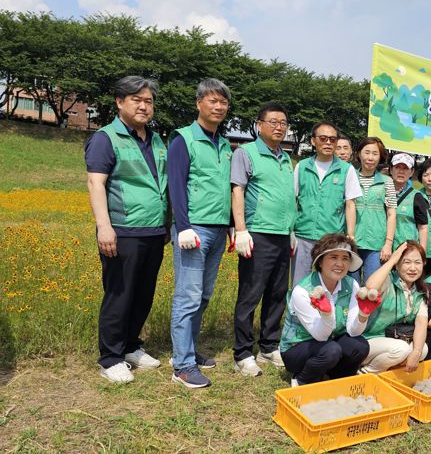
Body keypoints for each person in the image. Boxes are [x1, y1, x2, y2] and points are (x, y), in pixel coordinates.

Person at [86, 76, 167, 383]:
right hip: (122, 230)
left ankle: (132, 345)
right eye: (137, 100)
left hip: (153, 231)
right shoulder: (107, 138)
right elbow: (96, 183)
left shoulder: (156, 139)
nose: (144, 106)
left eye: (148, 101)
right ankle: (110, 357)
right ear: (120, 102)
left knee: (143, 294)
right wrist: (103, 227)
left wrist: (167, 225)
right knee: (119, 294)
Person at [167, 78, 233, 388]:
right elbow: (176, 186)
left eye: (223, 102)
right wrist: (183, 226)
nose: (219, 106)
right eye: (213, 101)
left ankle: (189, 351)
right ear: (199, 104)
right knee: (188, 297)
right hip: (193, 230)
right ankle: (181, 366)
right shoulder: (183, 139)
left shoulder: (224, 143)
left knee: (203, 296)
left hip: (219, 230)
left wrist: (233, 226)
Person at [230, 102, 295, 376]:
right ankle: (243, 352)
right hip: (257, 233)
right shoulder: (246, 153)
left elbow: (288, 198)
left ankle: (269, 344)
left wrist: (290, 230)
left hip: (282, 235)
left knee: (277, 293)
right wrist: (241, 229)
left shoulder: (286, 158)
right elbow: (237, 191)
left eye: (283, 123)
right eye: (273, 121)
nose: (279, 127)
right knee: (250, 294)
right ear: (259, 125)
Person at [279, 234, 375, 386]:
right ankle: (302, 379)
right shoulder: (303, 291)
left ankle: (336, 380)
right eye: (333, 257)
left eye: (345, 258)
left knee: (360, 346)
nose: (340, 264)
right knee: (331, 350)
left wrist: (363, 315)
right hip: (297, 348)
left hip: (329, 340)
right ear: (321, 261)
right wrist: (327, 313)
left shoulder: (351, 285)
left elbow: (353, 331)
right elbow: (320, 336)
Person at [292, 122, 362, 284]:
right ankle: (297, 310)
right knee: (299, 283)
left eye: (332, 139)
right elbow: (293, 200)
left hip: (332, 238)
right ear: (313, 141)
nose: (328, 143)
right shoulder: (302, 167)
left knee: (330, 283)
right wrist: (291, 230)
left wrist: (350, 234)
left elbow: (350, 203)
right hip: (303, 235)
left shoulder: (346, 169)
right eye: (323, 139)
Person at [359, 241, 429, 374]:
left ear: (424, 264)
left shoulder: (421, 290)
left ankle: (390, 374)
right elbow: (370, 286)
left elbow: (421, 323)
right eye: (407, 262)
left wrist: (417, 351)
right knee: (401, 349)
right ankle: (366, 373)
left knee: (422, 349)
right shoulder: (388, 279)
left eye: (417, 262)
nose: (413, 268)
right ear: (397, 265)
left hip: (394, 340)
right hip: (370, 339)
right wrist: (391, 261)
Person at [352, 137, 397, 283]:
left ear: (380, 157)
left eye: (375, 154)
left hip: (376, 245)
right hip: (352, 242)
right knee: (351, 287)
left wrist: (388, 244)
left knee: (373, 287)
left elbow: (391, 214)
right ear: (359, 154)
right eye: (366, 152)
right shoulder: (350, 177)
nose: (370, 157)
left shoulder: (387, 181)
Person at [389, 152, 428, 251]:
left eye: (405, 168)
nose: (401, 171)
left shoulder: (416, 197)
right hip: (381, 249)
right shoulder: (381, 192)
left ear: (411, 172)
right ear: (391, 170)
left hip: (406, 251)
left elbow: (423, 228)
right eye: (397, 167)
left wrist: (422, 254)